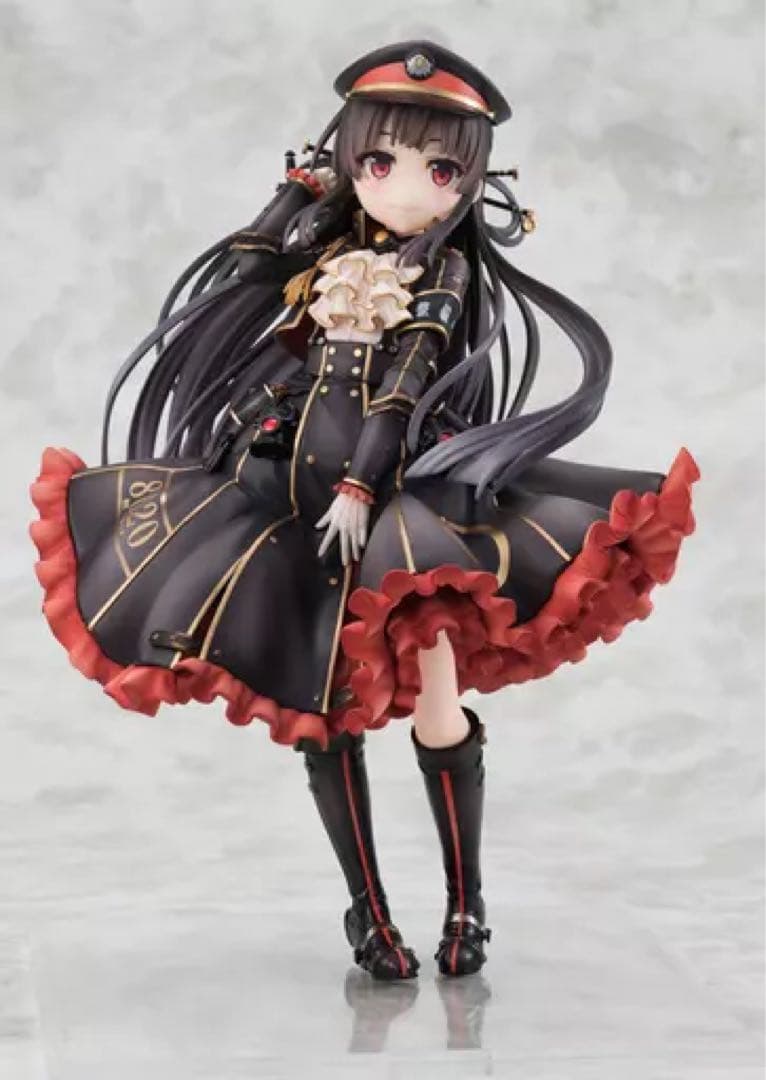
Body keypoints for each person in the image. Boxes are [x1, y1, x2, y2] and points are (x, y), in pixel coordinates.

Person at [29, 40, 700, 982]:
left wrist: (359, 485)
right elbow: (243, 274)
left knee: (437, 692)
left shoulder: (443, 274)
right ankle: (369, 915)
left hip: (397, 503)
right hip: (291, 492)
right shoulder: (329, 251)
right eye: (378, 161)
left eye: (440, 170)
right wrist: (294, 194)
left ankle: (465, 905)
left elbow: (406, 384)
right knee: (322, 700)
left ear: (470, 182)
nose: (406, 186)